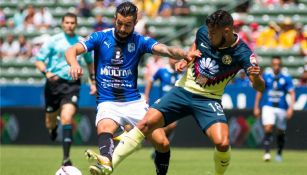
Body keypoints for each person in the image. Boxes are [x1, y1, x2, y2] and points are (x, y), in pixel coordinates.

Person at [112, 9, 265, 175]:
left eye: (213, 33)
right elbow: (196, 46)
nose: (209, 35)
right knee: (145, 124)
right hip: (183, 90)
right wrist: (186, 60)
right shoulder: (203, 33)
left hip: (209, 99)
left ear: (227, 31)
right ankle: (108, 165)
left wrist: (256, 79)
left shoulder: (243, 53)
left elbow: (260, 87)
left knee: (222, 143)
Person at [65, 2, 199, 175]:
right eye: (119, 23)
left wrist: (184, 54)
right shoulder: (100, 37)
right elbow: (71, 50)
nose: (122, 28)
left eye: (127, 25)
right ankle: (106, 162)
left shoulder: (139, 41)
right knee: (105, 127)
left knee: (162, 143)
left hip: (134, 102)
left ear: (135, 23)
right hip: (108, 101)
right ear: (115, 19)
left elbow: (165, 49)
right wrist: (74, 63)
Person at [35, 12, 96, 166]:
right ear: (62, 24)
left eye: (72, 23)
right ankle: (52, 129)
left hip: (72, 84)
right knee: (50, 121)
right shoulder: (53, 41)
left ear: (76, 24)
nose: (69, 25)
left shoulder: (81, 43)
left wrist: (93, 81)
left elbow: (89, 62)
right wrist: (47, 72)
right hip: (53, 85)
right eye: (67, 22)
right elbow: (39, 60)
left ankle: (66, 158)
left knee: (67, 117)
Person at [254, 56, 295, 162]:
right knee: (268, 128)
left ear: (281, 66)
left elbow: (292, 93)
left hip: (282, 107)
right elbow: (260, 91)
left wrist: (291, 108)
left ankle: (279, 153)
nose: (276, 67)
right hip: (268, 106)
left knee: (280, 131)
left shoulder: (286, 78)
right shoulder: (266, 77)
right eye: (275, 64)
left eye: (278, 65)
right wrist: (256, 106)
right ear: (272, 65)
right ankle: (267, 153)